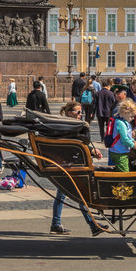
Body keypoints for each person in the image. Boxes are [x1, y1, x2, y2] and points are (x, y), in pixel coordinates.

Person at [50, 100, 105, 236]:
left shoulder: (72, 126)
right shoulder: (68, 127)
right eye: (78, 112)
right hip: (70, 165)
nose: (81, 114)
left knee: (63, 196)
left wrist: (92, 150)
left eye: (81, 112)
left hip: (70, 165)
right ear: (69, 113)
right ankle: (93, 225)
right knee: (79, 196)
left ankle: (56, 224)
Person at [105, 99, 136, 171]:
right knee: (124, 173)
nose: (133, 118)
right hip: (119, 153)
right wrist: (133, 145)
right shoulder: (121, 123)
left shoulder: (123, 121)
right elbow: (124, 139)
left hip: (119, 151)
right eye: (131, 116)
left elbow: (128, 136)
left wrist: (133, 140)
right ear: (125, 113)